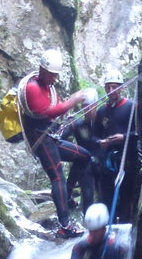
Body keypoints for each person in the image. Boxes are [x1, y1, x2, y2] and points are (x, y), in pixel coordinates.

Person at [17, 48, 92, 238]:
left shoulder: (48, 86)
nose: (54, 79)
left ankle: (66, 195)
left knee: (84, 157)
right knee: (57, 177)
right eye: (52, 75)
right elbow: (50, 111)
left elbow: (56, 108)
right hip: (42, 141)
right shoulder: (32, 88)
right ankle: (65, 225)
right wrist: (73, 100)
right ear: (43, 71)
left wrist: (73, 106)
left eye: (55, 76)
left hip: (51, 137)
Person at [93, 69, 142, 224]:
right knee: (107, 195)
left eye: (114, 87)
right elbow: (94, 135)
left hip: (128, 159)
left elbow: (141, 132)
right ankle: (109, 227)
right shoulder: (102, 111)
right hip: (108, 162)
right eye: (107, 87)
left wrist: (124, 137)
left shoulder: (131, 107)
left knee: (127, 195)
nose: (110, 91)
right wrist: (100, 142)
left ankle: (126, 224)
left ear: (121, 88)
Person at [59, 87, 102, 213]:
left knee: (103, 193)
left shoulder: (102, 119)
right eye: (84, 106)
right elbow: (59, 138)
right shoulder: (76, 123)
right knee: (87, 196)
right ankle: (88, 225)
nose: (87, 110)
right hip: (86, 165)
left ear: (95, 105)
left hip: (102, 162)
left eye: (89, 106)